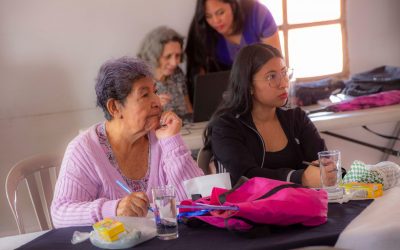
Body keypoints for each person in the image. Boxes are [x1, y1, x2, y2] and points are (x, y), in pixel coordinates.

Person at [51, 57, 203, 228]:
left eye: (155, 91)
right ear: (115, 108)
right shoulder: (85, 150)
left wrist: (172, 142)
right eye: (145, 95)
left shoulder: (162, 138)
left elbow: (198, 200)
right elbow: (61, 214)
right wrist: (114, 210)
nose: (157, 102)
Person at [204, 43, 331, 187]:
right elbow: (246, 177)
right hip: (247, 208)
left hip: (302, 204)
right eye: (271, 77)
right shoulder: (226, 126)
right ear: (249, 85)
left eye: (284, 73)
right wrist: (299, 177)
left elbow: (324, 161)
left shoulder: (296, 118)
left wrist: (329, 173)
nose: (283, 84)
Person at [185, 0, 281, 101]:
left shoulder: (258, 14)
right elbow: (201, 82)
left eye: (220, 12)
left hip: (265, 84)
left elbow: (276, 63)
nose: (215, 21)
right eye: (208, 16)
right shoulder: (203, 31)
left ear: (234, 4)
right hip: (230, 94)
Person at [138, 26, 193, 120]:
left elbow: (189, 109)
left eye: (178, 55)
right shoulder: (140, 79)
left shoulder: (177, 73)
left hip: (187, 129)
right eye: (168, 57)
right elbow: (138, 120)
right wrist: (153, 104)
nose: (174, 63)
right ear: (154, 55)